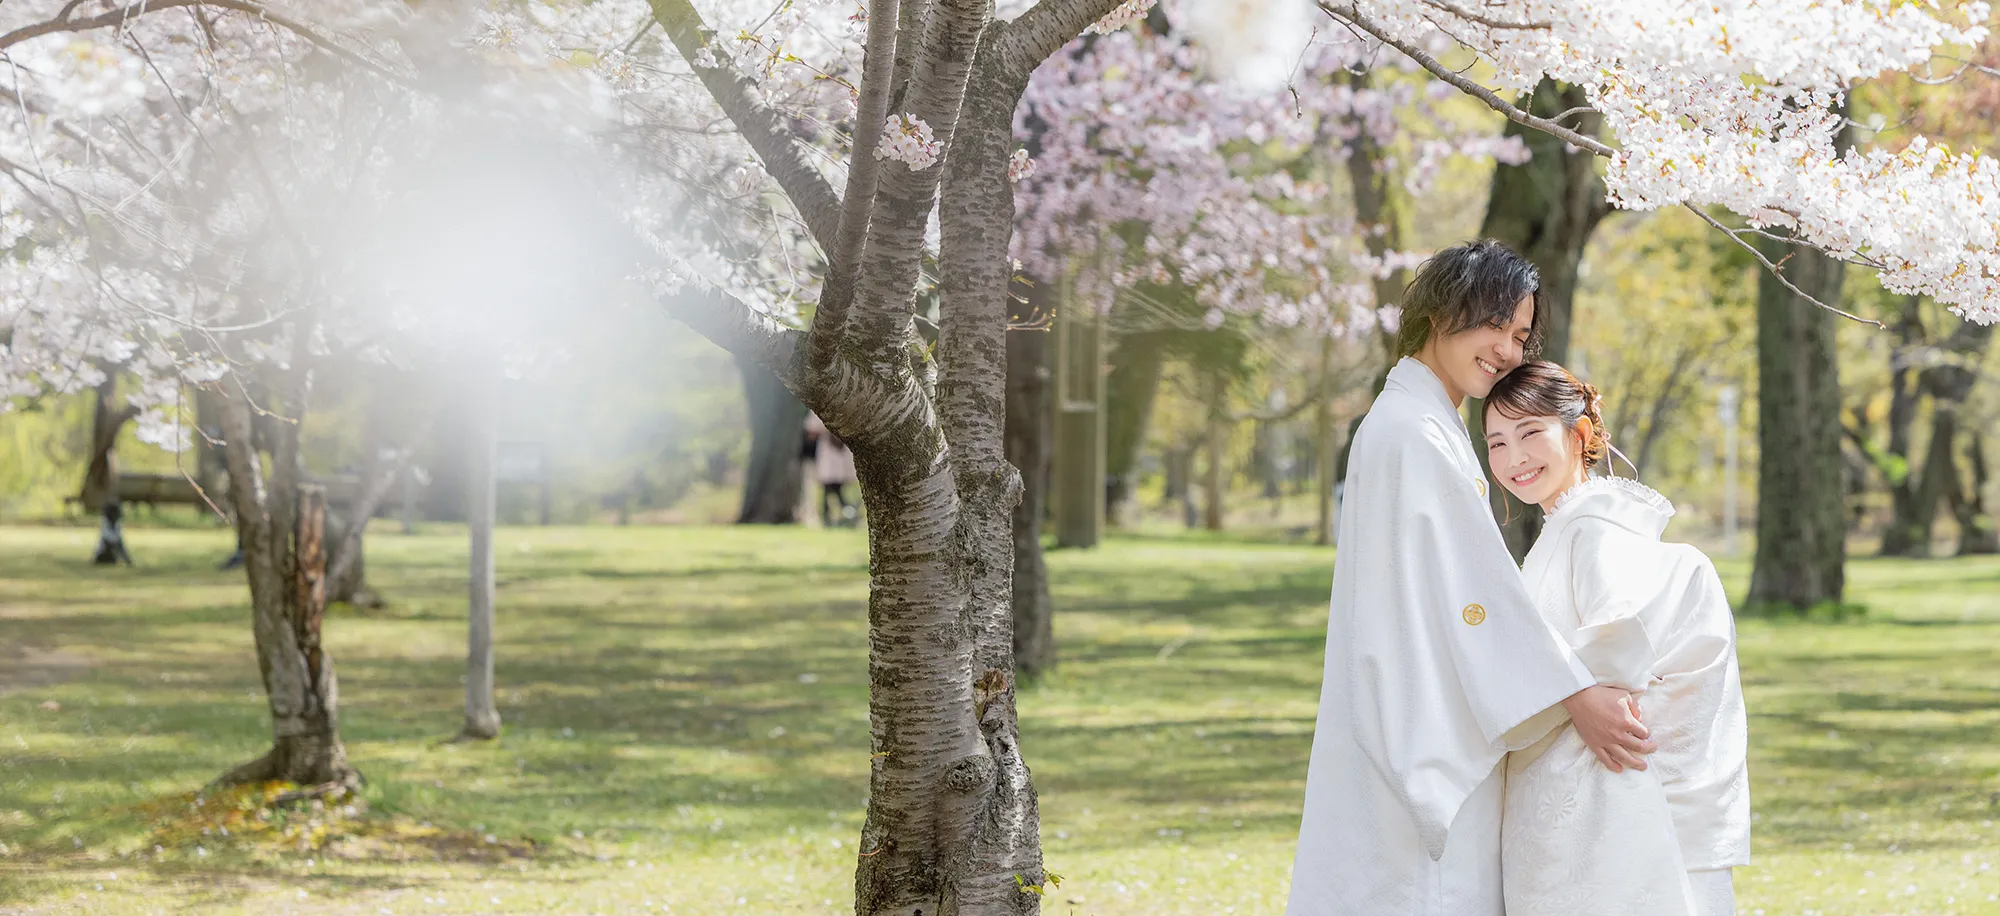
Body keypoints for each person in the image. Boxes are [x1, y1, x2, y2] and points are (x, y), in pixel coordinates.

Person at [1286, 240, 1653, 916]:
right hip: (1416, 723)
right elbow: (1471, 594)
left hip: (1404, 707)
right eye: (1495, 325)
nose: (1508, 350)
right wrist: (1575, 694)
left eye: (1520, 335)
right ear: (1444, 310)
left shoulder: (1416, 421)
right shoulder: (1413, 432)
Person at [1483, 361, 1750, 916]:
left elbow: (1612, 656)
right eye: (1497, 443)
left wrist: (1556, 690)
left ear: (1578, 435)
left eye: (1531, 434)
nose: (1514, 459)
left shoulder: (1589, 526)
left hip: (1593, 792)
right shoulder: (1572, 526)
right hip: (1573, 786)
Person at [804, 412, 858, 527]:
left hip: (833, 456)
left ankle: (842, 516)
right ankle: (839, 516)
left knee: (833, 491)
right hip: (834, 456)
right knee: (833, 492)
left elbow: (812, 429)